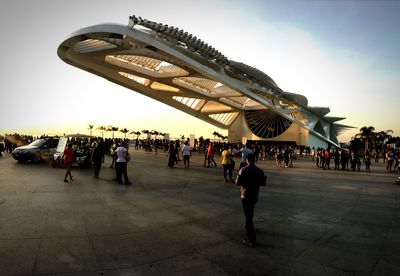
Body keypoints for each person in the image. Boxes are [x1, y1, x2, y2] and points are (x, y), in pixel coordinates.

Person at [236, 153, 266, 246]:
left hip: (245, 194)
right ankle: (248, 225)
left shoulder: (243, 170)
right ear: (255, 159)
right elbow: (262, 183)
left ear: (247, 160)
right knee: (250, 211)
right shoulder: (260, 171)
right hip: (255, 195)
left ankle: (251, 238)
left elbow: (237, 183)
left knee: (248, 215)